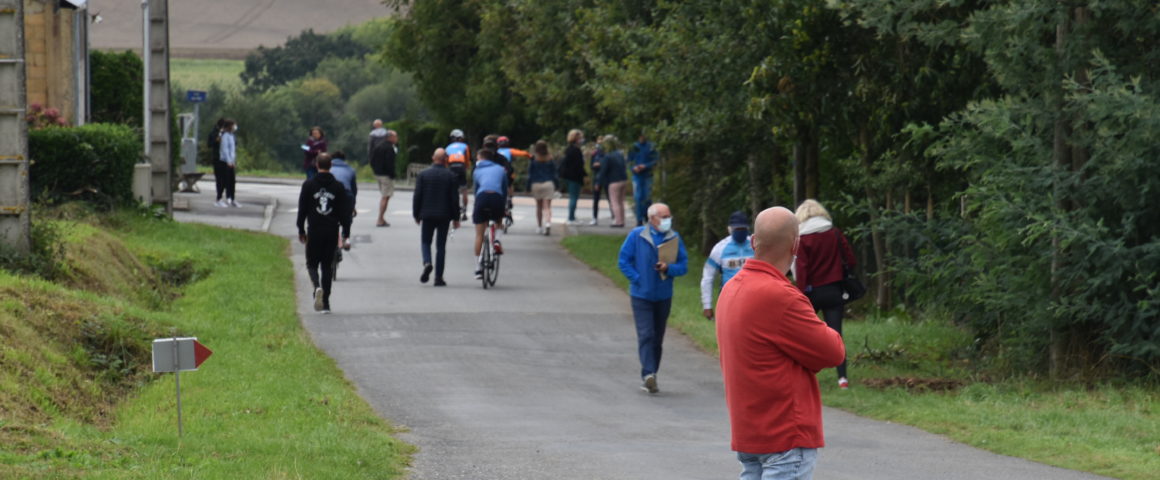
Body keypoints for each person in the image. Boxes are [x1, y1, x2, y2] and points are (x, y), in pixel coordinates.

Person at [715, 206, 846, 480]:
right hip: (784, 434)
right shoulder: (782, 296)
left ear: (753, 242)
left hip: (749, 432)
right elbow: (833, 352)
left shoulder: (731, 289)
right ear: (796, 245)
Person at [617, 203, 688, 394]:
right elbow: (623, 261)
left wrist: (668, 268)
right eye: (664, 217)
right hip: (641, 295)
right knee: (646, 334)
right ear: (652, 219)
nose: (668, 220)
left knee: (657, 337)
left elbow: (683, 265)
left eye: (669, 216)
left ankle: (652, 373)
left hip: (663, 295)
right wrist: (637, 279)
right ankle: (648, 373)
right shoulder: (637, 235)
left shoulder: (673, 237)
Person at [794, 199, 858, 390]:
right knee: (836, 335)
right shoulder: (834, 233)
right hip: (834, 290)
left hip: (811, 293)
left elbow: (801, 269)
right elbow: (850, 260)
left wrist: (800, 294)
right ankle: (843, 379)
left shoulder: (802, 239)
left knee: (804, 335)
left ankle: (804, 374)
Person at [296, 154, 352, 314]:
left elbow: (302, 209)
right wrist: (346, 232)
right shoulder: (338, 186)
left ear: (316, 165)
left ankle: (316, 287)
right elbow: (345, 212)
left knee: (311, 264)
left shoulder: (308, 185)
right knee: (327, 266)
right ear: (331, 166)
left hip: (314, 229)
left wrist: (301, 229)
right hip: (331, 230)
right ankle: (326, 303)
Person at [413, 148, 461, 287]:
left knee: (425, 242)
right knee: (441, 246)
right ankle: (438, 278)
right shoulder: (451, 176)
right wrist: (456, 218)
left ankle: (427, 262)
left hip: (427, 214)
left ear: (433, 158)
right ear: (446, 159)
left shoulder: (423, 175)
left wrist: (416, 214)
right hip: (444, 215)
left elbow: (417, 196)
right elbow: (454, 199)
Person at [701, 211, 756, 321]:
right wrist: (707, 305)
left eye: (743, 228)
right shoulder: (720, 248)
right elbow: (708, 277)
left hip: (753, 299)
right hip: (729, 299)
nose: (740, 231)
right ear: (730, 229)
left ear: (748, 228)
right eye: (737, 229)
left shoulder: (755, 245)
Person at [471, 148, 509, 280]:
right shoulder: (501, 170)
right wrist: (504, 206)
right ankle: (497, 240)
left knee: (479, 235)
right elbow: (504, 189)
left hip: (482, 198)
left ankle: (478, 269)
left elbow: (476, 190)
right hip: (496, 198)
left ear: (481, 158)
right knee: (499, 221)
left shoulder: (477, 171)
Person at [527, 140, 557, 236]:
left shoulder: (534, 159)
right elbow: (554, 173)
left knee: (539, 207)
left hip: (536, 184)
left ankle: (539, 226)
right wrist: (557, 185)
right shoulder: (550, 159)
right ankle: (548, 223)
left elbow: (530, 174)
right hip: (548, 183)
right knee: (547, 206)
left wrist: (527, 187)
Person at [370, 125, 398, 227]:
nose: (397, 139)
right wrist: (392, 174)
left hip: (378, 174)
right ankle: (380, 219)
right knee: (385, 197)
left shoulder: (378, 146)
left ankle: (381, 218)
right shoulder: (389, 148)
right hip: (386, 175)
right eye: (395, 136)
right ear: (390, 137)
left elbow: (372, 160)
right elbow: (389, 163)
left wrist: (375, 170)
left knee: (384, 195)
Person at [628, 133, 658, 226]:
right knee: (638, 197)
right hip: (637, 176)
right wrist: (633, 168)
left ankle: (647, 216)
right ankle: (639, 219)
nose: (642, 137)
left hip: (647, 175)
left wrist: (645, 166)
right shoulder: (634, 147)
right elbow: (629, 161)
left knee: (647, 197)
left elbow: (655, 160)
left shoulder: (651, 146)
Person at [560, 129, 587, 225]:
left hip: (568, 176)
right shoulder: (576, 151)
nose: (582, 140)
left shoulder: (569, 150)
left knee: (573, 196)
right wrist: (584, 175)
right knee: (574, 197)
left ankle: (572, 216)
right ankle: (571, 218)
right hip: (575, 177)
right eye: (580, 138)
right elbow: (578, 165)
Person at [601, 135, 629, 227]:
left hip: (613, 180)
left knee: (614, 202)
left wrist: (599, 181)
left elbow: (604, 170)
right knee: (621, 202)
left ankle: (618, 221)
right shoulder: (620, 154)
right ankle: (622, 220)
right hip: (623, 179)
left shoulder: (608, 156)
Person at [446, 129, 472, 221]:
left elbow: (446, 161)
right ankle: (464, 211)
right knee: (464, 189)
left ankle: (450, 208)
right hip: (461, 166)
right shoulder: (465, 146)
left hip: (451, 167)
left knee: (450, 189)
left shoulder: (448, 147)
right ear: (460, 138)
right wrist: (467, 168)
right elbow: (467, 160)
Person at [216, 119, 239, 208]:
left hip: (231, 162)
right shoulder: (225, 136)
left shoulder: (231, 136)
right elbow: (225, 149)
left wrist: (233, 161)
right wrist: (229, 161)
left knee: (231, 182)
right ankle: (219, 199)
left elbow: (232, 150)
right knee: (223, 181)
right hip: (224, 162)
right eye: (233, 125)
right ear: (229, 126)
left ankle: (232, 198)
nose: (234, 127)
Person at [589, 135, 611, 225]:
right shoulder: (594, 153)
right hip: (597, 177)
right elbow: (591, 166)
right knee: (596, 199)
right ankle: (594, 217)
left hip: (606, 178)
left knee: (610, 198)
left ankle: (614, 216)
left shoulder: (607, 153)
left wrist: (601, 164)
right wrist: (594, 165)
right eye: (599, 141)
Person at [207, 118, 229, 207]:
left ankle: (221, 196)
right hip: (217, 158)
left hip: (225, 159)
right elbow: (209, 144)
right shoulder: (214, 133)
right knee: (219, 179)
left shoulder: (226, 133)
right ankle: (219, 197)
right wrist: (216, 140)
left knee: (225, 179)